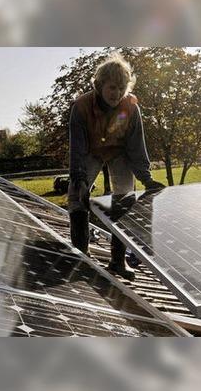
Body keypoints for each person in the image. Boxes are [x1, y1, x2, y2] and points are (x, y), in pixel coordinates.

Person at [68, 53, 164, 281]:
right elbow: (77, 148)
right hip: (90, 151)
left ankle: (118, 260)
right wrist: (79, 178)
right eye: (112, 87)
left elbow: (136, 146)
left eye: (122, 88)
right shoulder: (81, 107)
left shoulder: (129, 108)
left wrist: (146, 178)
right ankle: (82, 256)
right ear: (99, 85)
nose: (117, 93)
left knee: (125, 200)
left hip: (120, 153)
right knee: (76, 196)